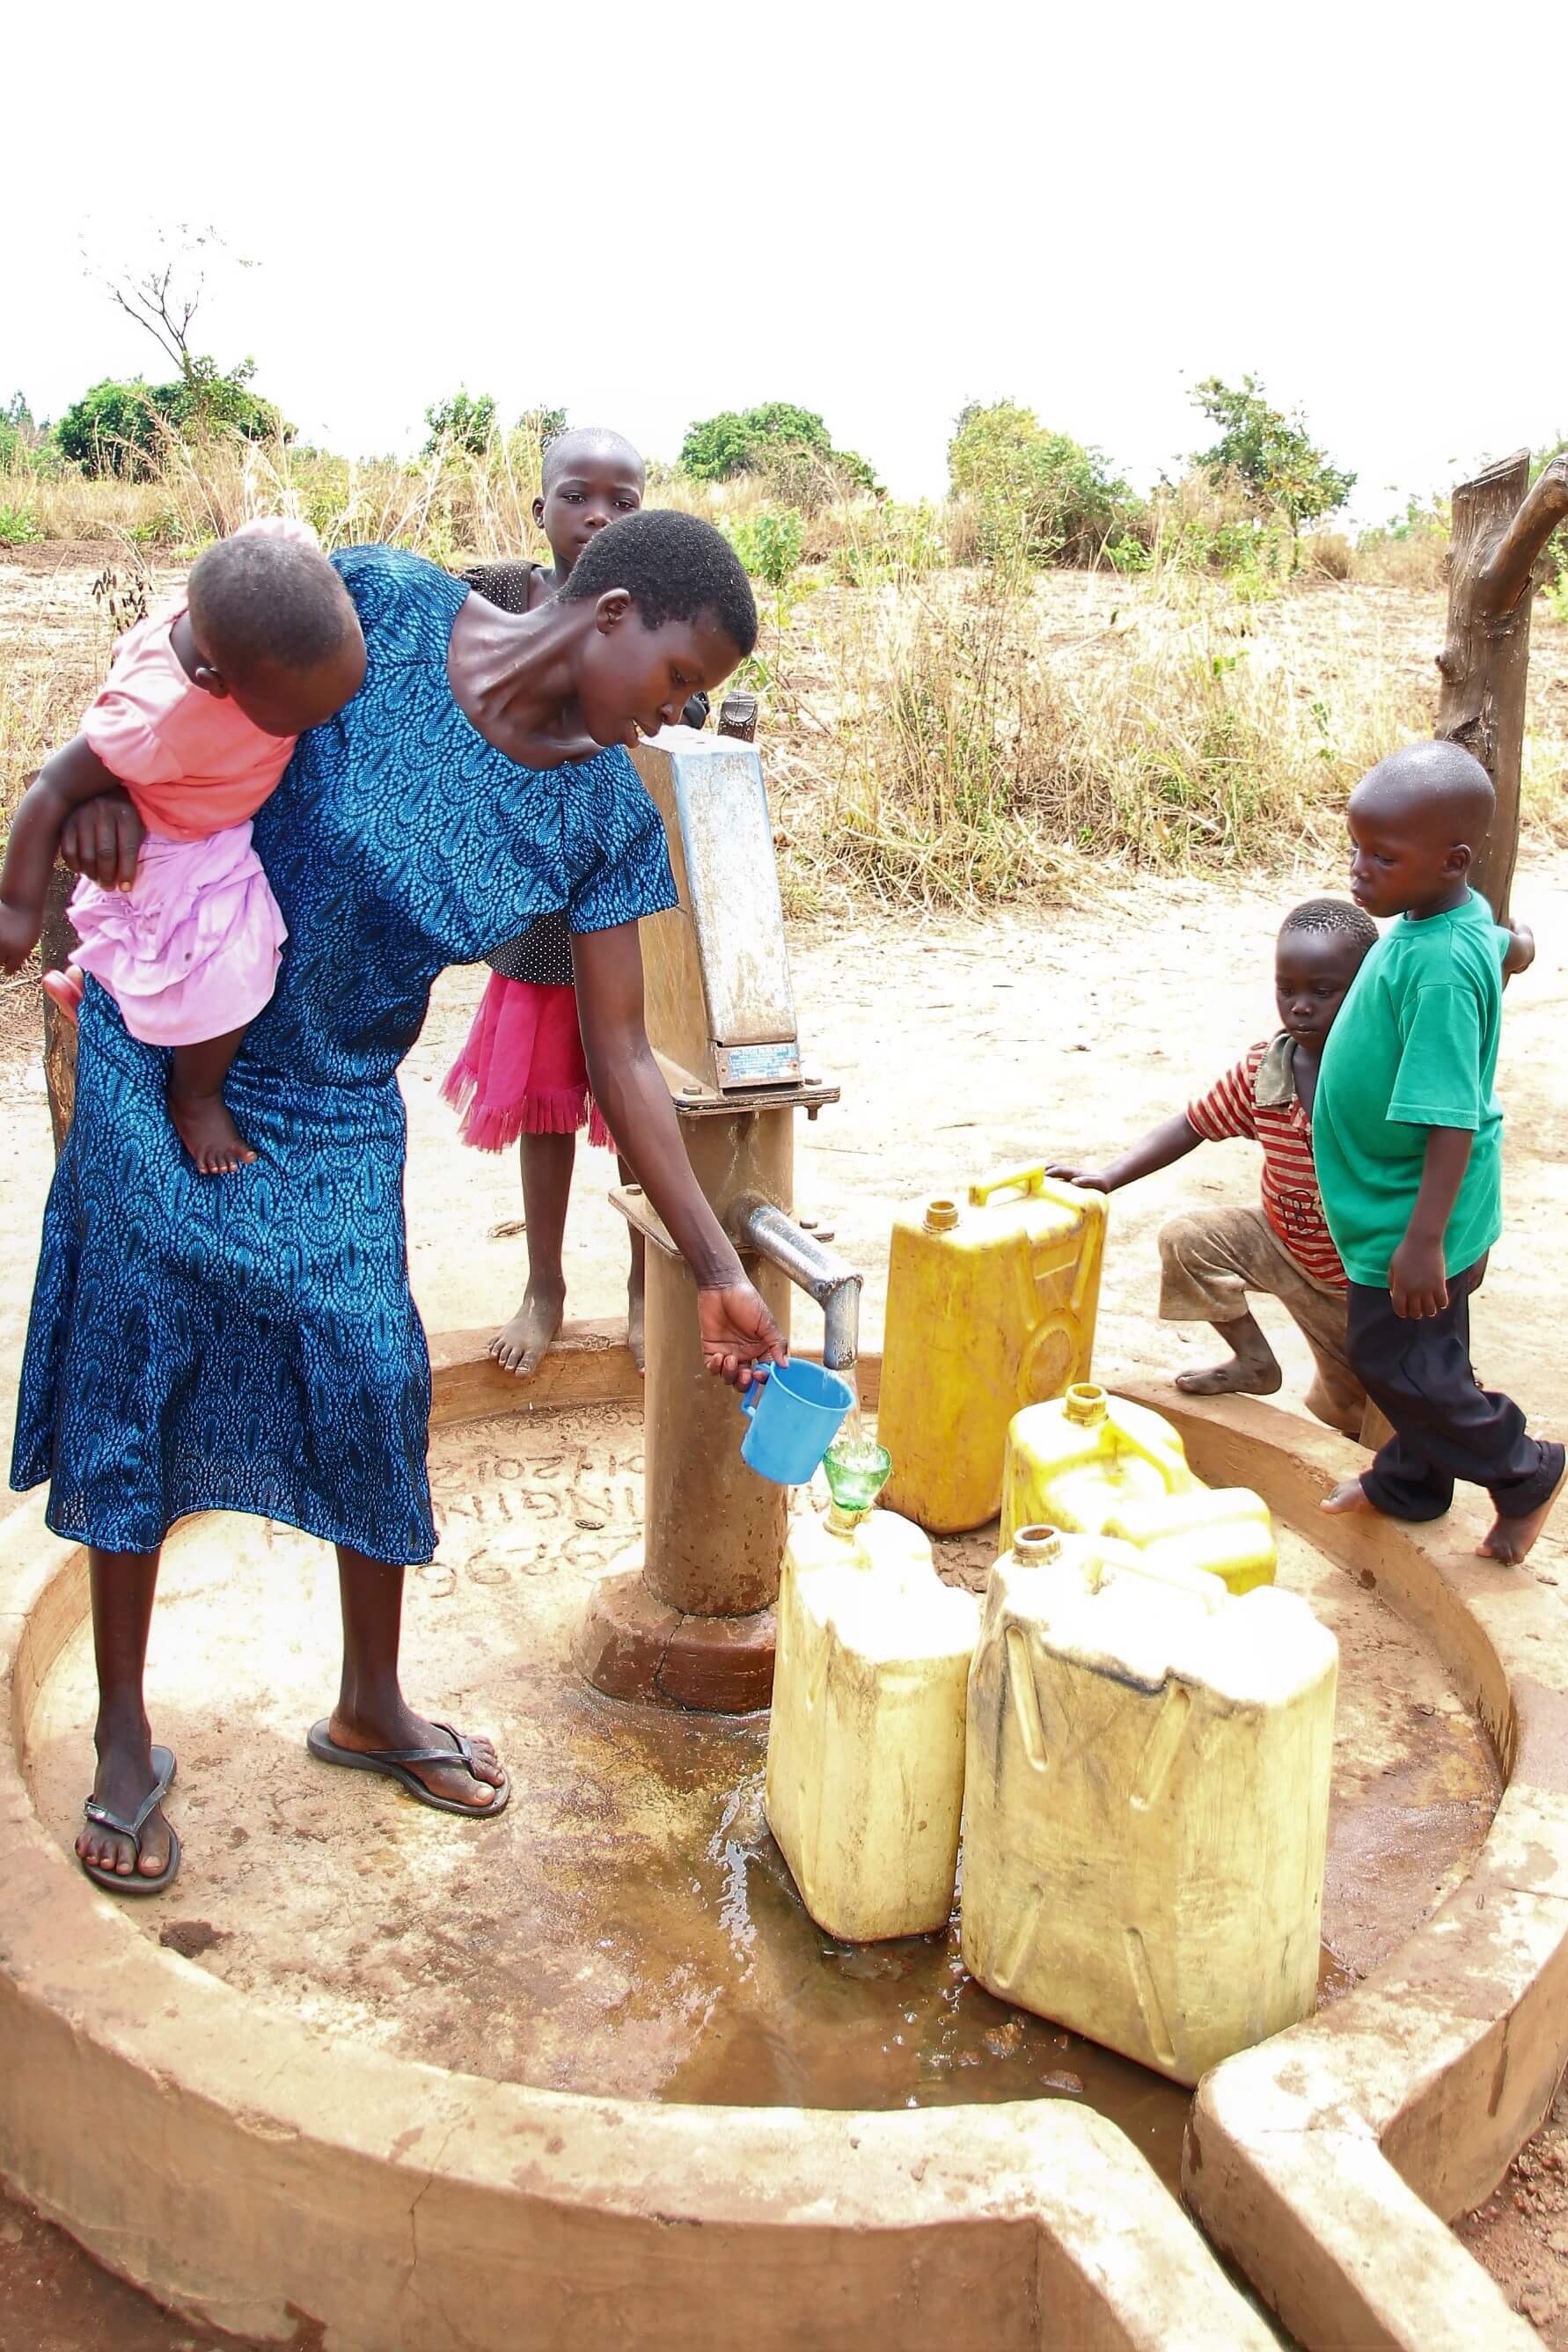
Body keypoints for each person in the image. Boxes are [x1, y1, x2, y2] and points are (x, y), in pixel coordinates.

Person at [11, 509, 784, 1897]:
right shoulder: (379, 607)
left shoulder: (605, 815)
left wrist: (716, 1258)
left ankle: (370, 1699)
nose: (678, 714)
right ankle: (125, 1733)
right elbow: (193, 674)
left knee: (374, 1373)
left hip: (334, 1099)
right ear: (609, 613)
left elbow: (620, 1055)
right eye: (674, 681)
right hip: (173, 1033)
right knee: (135, 1354)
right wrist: (113, 791)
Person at [441, 428, 707, 1376]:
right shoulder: (498, 595)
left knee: (633, 1102)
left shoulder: (658, 626)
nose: (597, 516)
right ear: (540, 508)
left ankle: (645, 1280)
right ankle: (544, 1285)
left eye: (622, 501)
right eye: (576, 496)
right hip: (529, 905)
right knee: (547, 1105)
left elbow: (689, 704)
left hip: (611, 883)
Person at [0, 520, 366, 1175]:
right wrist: (16, 911)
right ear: (217, 683)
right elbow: (54, 787)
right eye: (299, 717)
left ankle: (98, 981)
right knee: (233, 958)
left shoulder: (268, 575)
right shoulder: (158, 720)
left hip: (208, 808)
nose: (319, 725)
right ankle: (195, 1093)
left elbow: (275, 540)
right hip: (179, 833)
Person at [1314, 741, 1561, 1563]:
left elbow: (1450, 1116)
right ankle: (1411, 1484)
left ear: (1453, 860)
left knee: (1393, 1357)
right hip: (1409, 1198)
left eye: (1382, 856)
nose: (1359, 870)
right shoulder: (1447, 922)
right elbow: (1495, 942)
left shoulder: (1441, 969)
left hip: (1416, 1205)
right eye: (1356, 847)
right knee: (1431, 1354)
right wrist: (1514, 946)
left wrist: (1423, 1241)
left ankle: (1524, 1467)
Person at [1048, 899, 1378, 1438]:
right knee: (1188, 1240)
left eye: (1323, 992)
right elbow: (1191, 1124)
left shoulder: (1383, 1076)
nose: (1299, 1007)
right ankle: (1253, 1361)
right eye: (1286, 989)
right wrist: (1110, 1176)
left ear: (1367, 988)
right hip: (1284, 1244)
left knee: (1365, 1408)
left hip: (1362, 1282)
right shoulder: (1264, 1070)